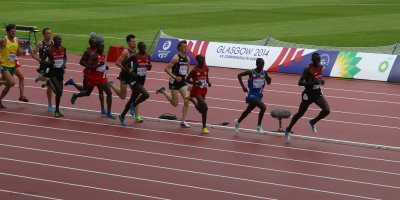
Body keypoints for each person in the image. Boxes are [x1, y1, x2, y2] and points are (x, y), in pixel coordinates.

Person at [285, 53, 330, 142]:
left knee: (327, 110)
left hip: (317, 93)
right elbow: (300, 83)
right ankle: (288, 129)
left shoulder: (320, 67)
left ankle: (313, 121)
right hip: (308, 94)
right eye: (316, 60)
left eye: (319, 59)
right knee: (300, 114)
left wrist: (321, 81)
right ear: (312, 60)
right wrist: (313, 83)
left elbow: (317, 79)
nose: (318, 61)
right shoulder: (308, 69)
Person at [71, 36, 115, 119]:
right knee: (87, 92)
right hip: (92, 77)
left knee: (109, 93)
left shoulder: (102, 54)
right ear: (97, 47)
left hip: (101, 77)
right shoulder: (92, 55)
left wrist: (105, 67)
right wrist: (98, 66)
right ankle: (75, 95)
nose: (103, 48)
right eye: (101, 47)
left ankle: (108, 112)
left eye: (103, 47)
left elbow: (102, 64)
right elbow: (88, 67)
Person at [64, 33, 106, 114]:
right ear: (90, 44)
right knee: (86, 92)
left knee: (100, 90)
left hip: (98, 74)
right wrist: (88, 67)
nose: (95, 44)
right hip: (88, 73)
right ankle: (73, 88)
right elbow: (81, 62)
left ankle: (103, 109)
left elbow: (100, 61)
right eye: (93, 43)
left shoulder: (99, 51)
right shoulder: (87, 51)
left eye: (96, 43)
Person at [156, 40, 191, 128]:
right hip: (174, 81)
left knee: (187, 101)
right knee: (175, 104)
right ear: (179, 48)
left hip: (182, 81)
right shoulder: (176, 58)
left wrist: (191, 78)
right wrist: (175, 77)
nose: (186, 48)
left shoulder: (187, 59)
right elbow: (166, 69)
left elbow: (188, 70)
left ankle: (183, 121)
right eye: (184, 47)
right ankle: (164, 91)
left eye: (186, 47)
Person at [234, 58, 271, 134]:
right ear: (257, 64)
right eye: (261, 64)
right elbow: (239, 75)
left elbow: (268, 83)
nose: (262, 65)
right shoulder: (251, 72)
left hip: (259, 95)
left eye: (263, 64)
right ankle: (258, 126)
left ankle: (238, 121)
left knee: (248, 111)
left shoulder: (264, 72)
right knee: (263, 107)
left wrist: (269, 79)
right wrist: (243, 87)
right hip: (251, 94)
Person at [118, 41, 151, 126]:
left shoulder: (148, 56)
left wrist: (149, 66)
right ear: (139, 48)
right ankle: (134, 105)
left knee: (132, 99)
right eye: (142, 47)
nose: (144, 48)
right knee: (146, 95)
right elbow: (123, 62)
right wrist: (129, 70)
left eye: (145, 47)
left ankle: (122, 115)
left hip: (142, 79)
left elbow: (149, 67)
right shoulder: (135, 56)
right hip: (134, 80)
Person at [41, 35, 67, 117]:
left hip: (60, 71)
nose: (60, 41)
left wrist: (64, 63)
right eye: (58, 40)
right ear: (54, 41)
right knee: (58, 90)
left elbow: (65, 57)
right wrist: (49, 63)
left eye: (61, 40)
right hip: (52, 72)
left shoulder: (63, 48)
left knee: (59, 93)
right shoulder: (49, 50)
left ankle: (57, 111)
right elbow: (42, 61)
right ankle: (49, 82)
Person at [185, 54, 211, 133]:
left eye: (204, 59)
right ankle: (204, 128)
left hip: (203, 90)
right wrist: (195, 83)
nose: (203, 61)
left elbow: (206, 76)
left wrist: (208, 82)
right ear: (197, 61)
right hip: (196, 90)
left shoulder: (206, 68)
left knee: (201, 110)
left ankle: (192, 100)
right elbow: (187, 80)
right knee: (205, 107)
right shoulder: (194, 70)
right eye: (201, 59)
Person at [0, 24, 22, 108]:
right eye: (12, 31)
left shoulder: (17, 40)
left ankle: (0, 100)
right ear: (8, 32)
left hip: (12, 66)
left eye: (15, 31)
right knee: (12, 83)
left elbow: (17, 53)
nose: (14, 32)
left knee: (8, 85)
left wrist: (19, 52)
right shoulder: (3, 40)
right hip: (4, 65)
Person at [32, 27, 53, 111]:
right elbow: (33, 54)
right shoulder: (40, 44)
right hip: (43, 66)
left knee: (50, 85)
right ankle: (50, 105)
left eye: (50, 33)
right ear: (43, 34)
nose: (49, 35)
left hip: (51, 66)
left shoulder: (53, 43)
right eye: (47, 33)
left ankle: (41, 78)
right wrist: (40, 60)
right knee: (50, 84)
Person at [110, 34, 136, 100]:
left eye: (135, 41)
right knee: (123, 96)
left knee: (136, 94)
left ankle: (134, 109)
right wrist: (127, 69)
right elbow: (117, 63)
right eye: (133, 41)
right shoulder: (126, 52)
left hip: (132, 75)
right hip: (125, 75)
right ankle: (111, 85)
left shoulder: (135, 52)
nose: (134, 43)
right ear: (128, 42)